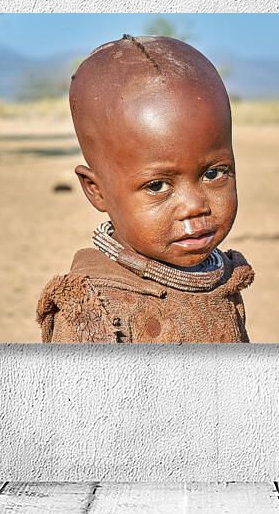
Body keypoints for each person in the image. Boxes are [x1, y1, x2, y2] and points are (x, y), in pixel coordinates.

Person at [36, 34, 254, 343]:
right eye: (158, 185)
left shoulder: (222, 276)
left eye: (214, 173)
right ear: (96, 190)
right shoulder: (93, 311)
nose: (194, 205)